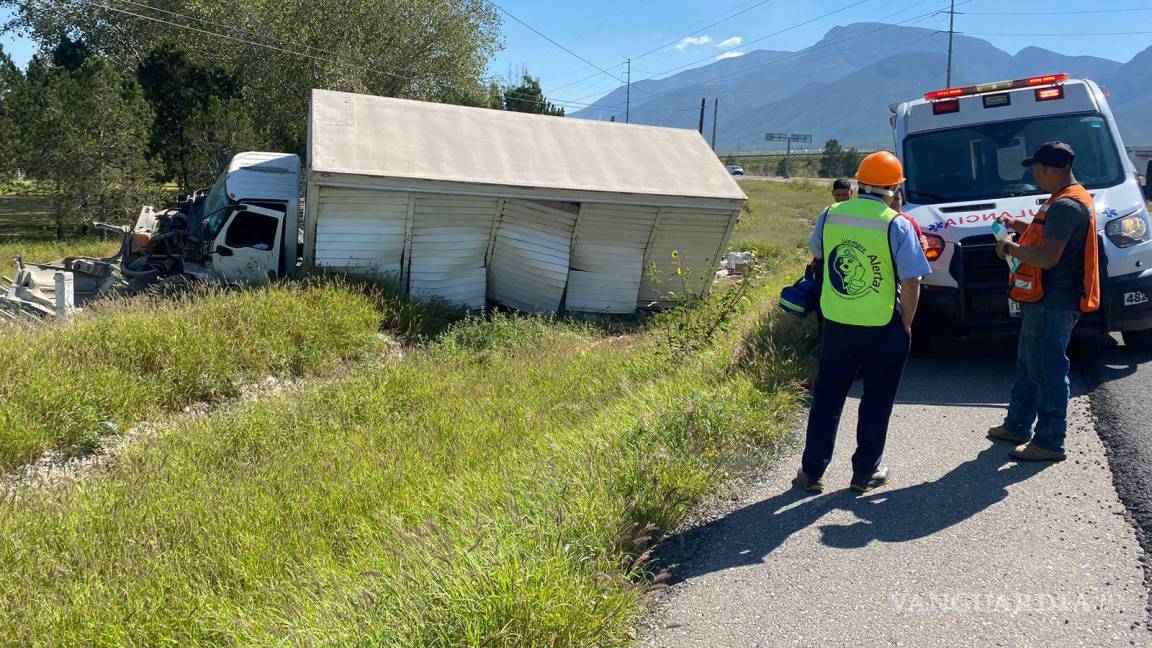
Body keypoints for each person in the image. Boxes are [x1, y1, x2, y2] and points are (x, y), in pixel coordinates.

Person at [794, 151, 932, 493]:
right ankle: (864, 472)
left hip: (838, 323)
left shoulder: (830, 214)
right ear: (895, 187)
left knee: (827, 397)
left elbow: (818, 255)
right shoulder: (896, 223)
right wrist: (907, 323)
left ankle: (812, 472)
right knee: (877, 400)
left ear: (859, 182)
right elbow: (912, 280)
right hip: (883, 325)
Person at [988, 142, 1099, 462]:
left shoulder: (1066, 205)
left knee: (1048, 369)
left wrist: (1009, 247)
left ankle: (1050, 441)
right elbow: (1049, 237)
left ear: (1048, 169)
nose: (1035, 175)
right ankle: (1017, 425)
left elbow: (1048, 257)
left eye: (1036, 169)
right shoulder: (1067, 199)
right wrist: (1020, 227)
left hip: (1054, 299)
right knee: (1030, 363)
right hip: (1045, 298)